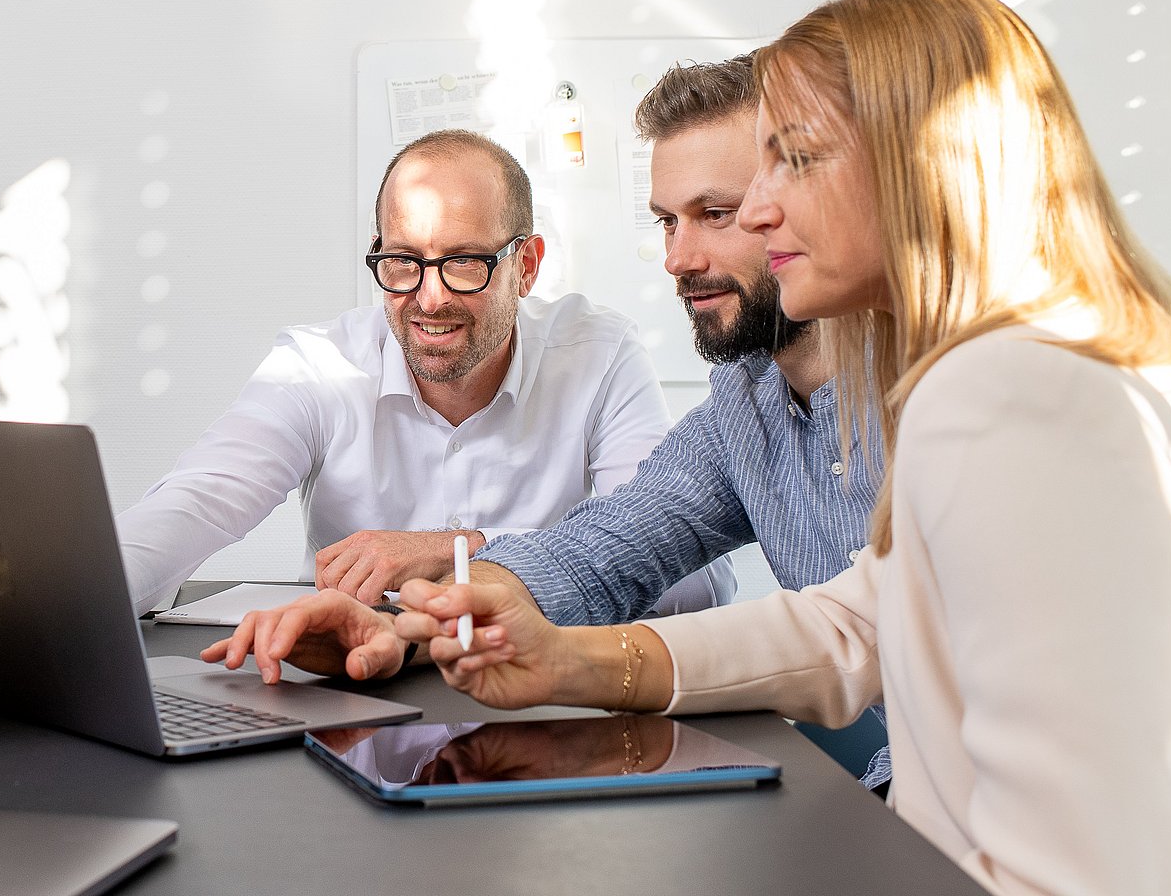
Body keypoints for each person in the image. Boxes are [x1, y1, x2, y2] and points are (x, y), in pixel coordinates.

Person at [393, 0, 1171, 895]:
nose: (758, 211)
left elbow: (1076, 870)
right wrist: (539, 653)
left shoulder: (1007, 392)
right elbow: (851, 622)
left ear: (926, 165)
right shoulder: (942, 378)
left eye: (796, 161)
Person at [204, 56, 890, 786]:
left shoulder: (933, 389)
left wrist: (510, 624)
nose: (677, 259)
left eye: (716, 214)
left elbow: (845, 632)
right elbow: (599, 553)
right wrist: (406, 632)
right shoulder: (740, 407)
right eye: (667, 222)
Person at [117, 129, 734, 615]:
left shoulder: (599, 355)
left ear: (526, 266)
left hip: (543, 693)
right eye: (403, 260)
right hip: (354, 689)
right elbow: (196, 503)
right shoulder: (317, 366)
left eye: (463, 261)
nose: (429, 298)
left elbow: (693, 580)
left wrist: (460, 552)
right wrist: (79, 602)